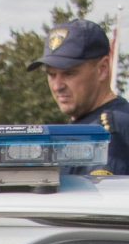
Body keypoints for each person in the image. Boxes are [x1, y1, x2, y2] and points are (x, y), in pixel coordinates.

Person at [27, 18, 129, 176]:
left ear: (102, 69)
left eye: (69, 73)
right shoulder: (89, 124)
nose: (57, 86)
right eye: (51, 75)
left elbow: (100, 199)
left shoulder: (107, 133)